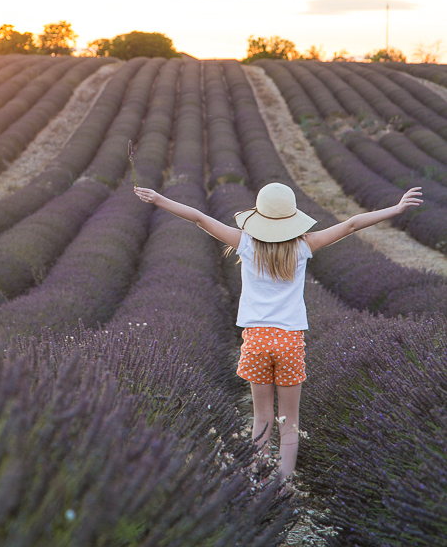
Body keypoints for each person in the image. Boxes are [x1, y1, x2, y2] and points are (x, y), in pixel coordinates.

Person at [134, 181, 422, 490]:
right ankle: (284, 486)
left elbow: (199, 218)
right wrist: (395, 208)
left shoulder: (245, 243)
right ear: (291, 217)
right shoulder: (303, 246)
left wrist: (159, 199)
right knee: (290, 421)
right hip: (289, 341)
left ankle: (258, 480)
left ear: (258, 216)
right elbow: (351, 224)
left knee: (262, 417)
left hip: (256, 341)